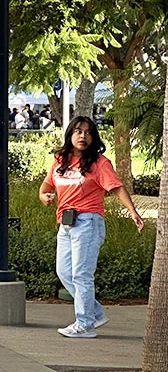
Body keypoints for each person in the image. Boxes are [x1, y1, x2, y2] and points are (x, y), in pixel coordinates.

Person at [39, 116, 144, 338]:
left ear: (93, 137)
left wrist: (132, 211)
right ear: (70, 135)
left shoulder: (99, 163)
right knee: (65, 272)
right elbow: (46, 185)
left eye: (88, 132)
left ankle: (85, 324)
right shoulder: (60, 160)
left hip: (88, 222)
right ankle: (94, 312)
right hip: (65, 223)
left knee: (81, 275)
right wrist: (44, 196)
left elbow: (117, 188)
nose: (83, 136)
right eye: (78, 131)